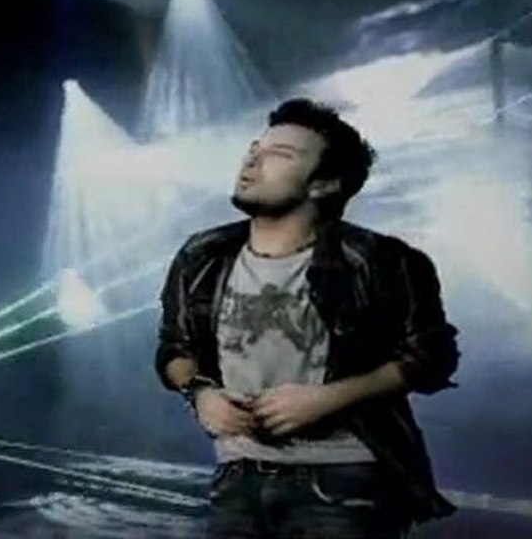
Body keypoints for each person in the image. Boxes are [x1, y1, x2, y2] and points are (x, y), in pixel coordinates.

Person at [154, 98, 459, 538]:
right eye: (254, 148)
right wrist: (201, 394)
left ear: (324, 183)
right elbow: (174, 350)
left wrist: (328, 399)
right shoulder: (202, 256)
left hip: (346, 478)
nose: (252, 160)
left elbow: (432, 357)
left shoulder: (381, 260)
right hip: (238, 476)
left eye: (279, 155)